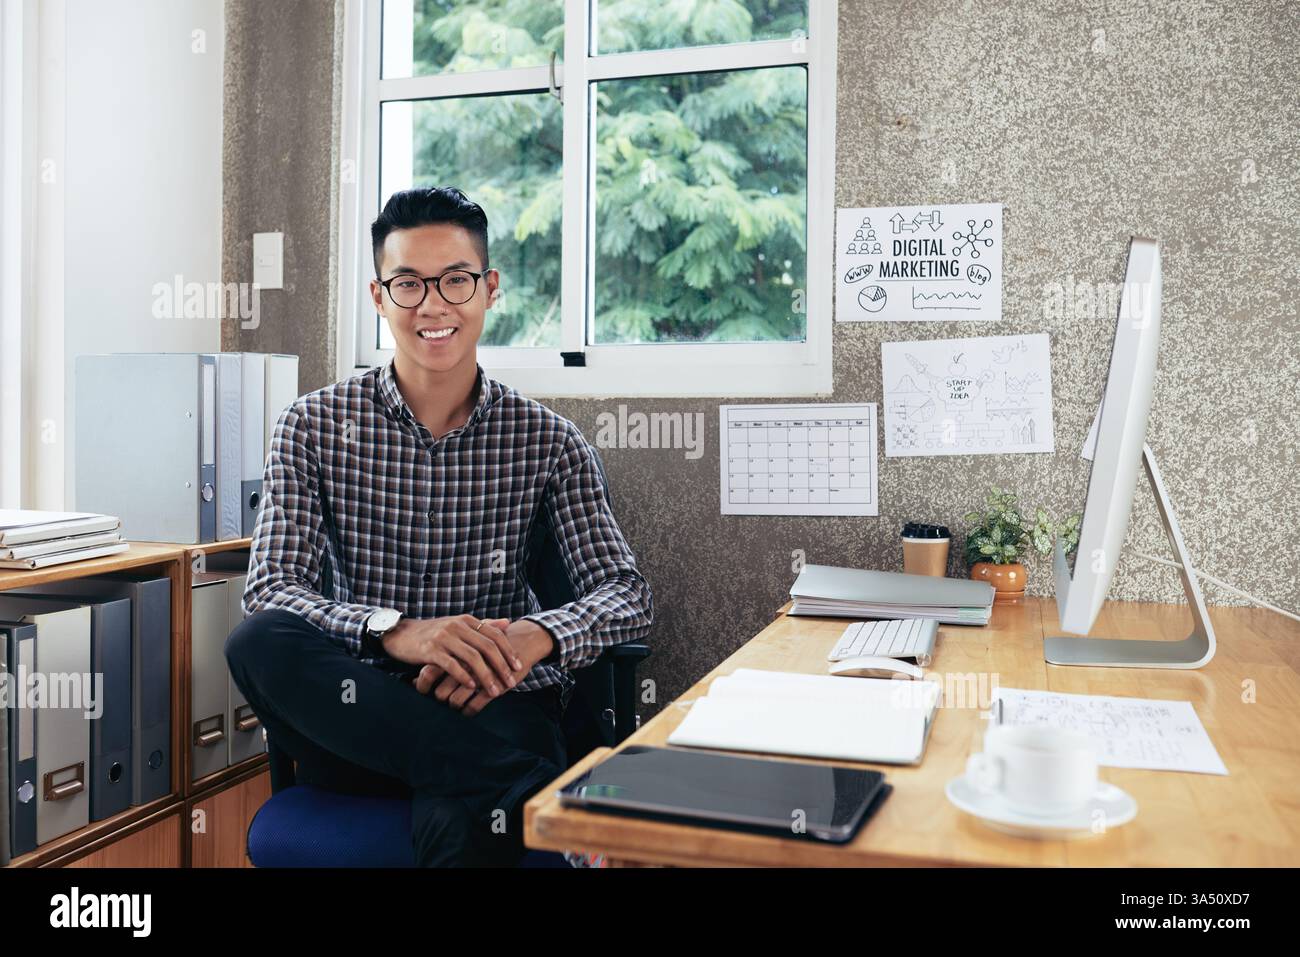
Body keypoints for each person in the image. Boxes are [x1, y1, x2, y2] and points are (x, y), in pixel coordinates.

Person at [225, 186, 654, 867]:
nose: (433, 305)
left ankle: (499, 779)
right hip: (361, 717)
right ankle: (528, 788)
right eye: (408, 284)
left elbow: (627, 596)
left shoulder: (549, 442)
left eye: (455, 281)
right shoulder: (311, 427)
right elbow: (273, 588)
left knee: (459, 820)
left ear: (489, 289)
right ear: (378, 296)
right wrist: (397, 633)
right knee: (258, 640)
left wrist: (535, 636)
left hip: (495, 704)